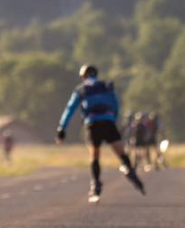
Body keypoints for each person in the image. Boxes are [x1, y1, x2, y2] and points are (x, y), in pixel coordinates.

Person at [57, 64, 145, 202]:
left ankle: (96, 185)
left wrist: (62, 128)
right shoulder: (106, 86)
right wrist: (113, 118)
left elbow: (70, 109)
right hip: (108, 121)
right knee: (121, 152)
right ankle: (129, 169)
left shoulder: (81, 89)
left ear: (83, 76)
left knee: (95, 156)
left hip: (92, 124)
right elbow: (116, 104)